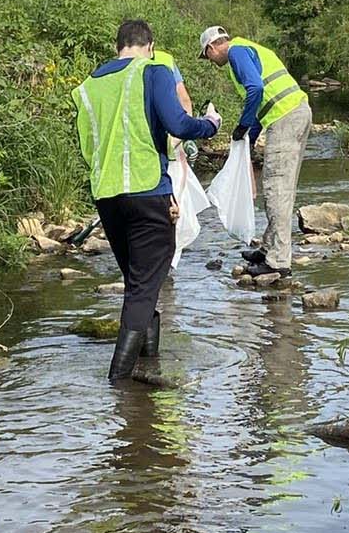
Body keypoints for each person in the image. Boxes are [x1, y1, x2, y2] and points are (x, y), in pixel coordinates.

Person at [74, 19, 220, 382]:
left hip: (107, 197)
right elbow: (178, 124)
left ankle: (147, 369)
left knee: (141, 284)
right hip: (148, 192)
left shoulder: (88, 87)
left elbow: (87, 148)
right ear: (150, 45)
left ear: (116, 46)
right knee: (142, 289)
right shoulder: (152, 71)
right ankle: (119, 381)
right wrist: (210, 124)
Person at [198, 25, 312, 278]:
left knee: (276, 189)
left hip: (286, 117)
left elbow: (255, 89)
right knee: (282, 188)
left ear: (212, 47)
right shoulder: (248, 47)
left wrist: (243, 124)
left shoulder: (236, 52)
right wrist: (249, 136)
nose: (210, 61)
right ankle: (269, 247)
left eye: (207, 56)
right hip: (294, 111)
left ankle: (278, 262)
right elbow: (264, 100)